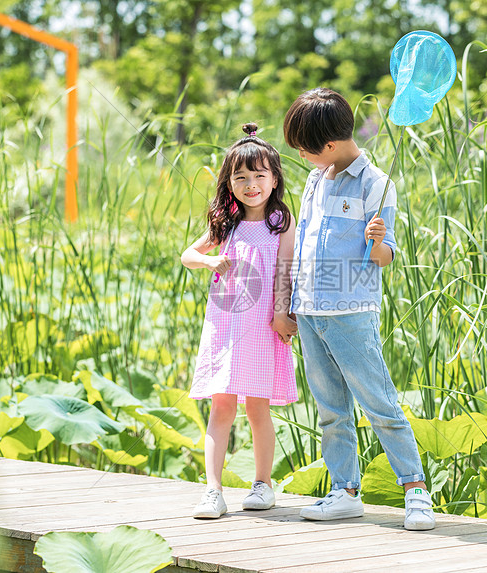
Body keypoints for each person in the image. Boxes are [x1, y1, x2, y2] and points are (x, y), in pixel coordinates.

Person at [283, 88, 436, 531]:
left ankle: (416, 490)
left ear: (329, 144)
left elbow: (384, 257)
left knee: (380, 403)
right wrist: (292, 305)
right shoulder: (317, 179)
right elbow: (307, 245)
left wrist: (375, 240)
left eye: (307, 150)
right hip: (311, 311)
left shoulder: (376, 183)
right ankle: (344, 491)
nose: (305, 158)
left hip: (350, 311)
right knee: (330, 408)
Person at [182, 123, 298, 519]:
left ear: (275, 178)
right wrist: (210, 259)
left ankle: (263, 484)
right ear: (229, 182)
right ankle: (212, 490)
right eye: (241, 177)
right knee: (221, 408)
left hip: (263, 327)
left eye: (259, 175)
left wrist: (282, 313)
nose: (251, 184)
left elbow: (285, 270)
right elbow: (187, 255)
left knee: (258, 409)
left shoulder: (280, 221)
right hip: (225, 327)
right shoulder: (225, 222)